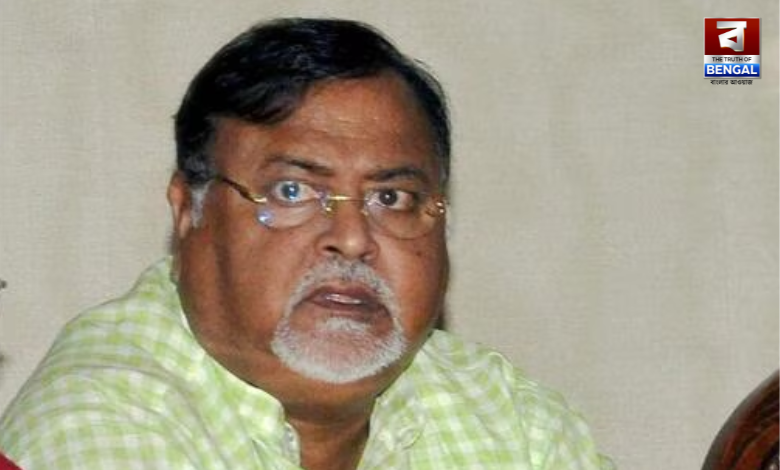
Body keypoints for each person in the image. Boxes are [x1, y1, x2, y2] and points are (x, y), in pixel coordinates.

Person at [0, 18, 613, 469]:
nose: (352, 238)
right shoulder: (101, 426)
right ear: (190, 210)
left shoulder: (510, 417)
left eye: (392, 198)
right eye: (292, 192)